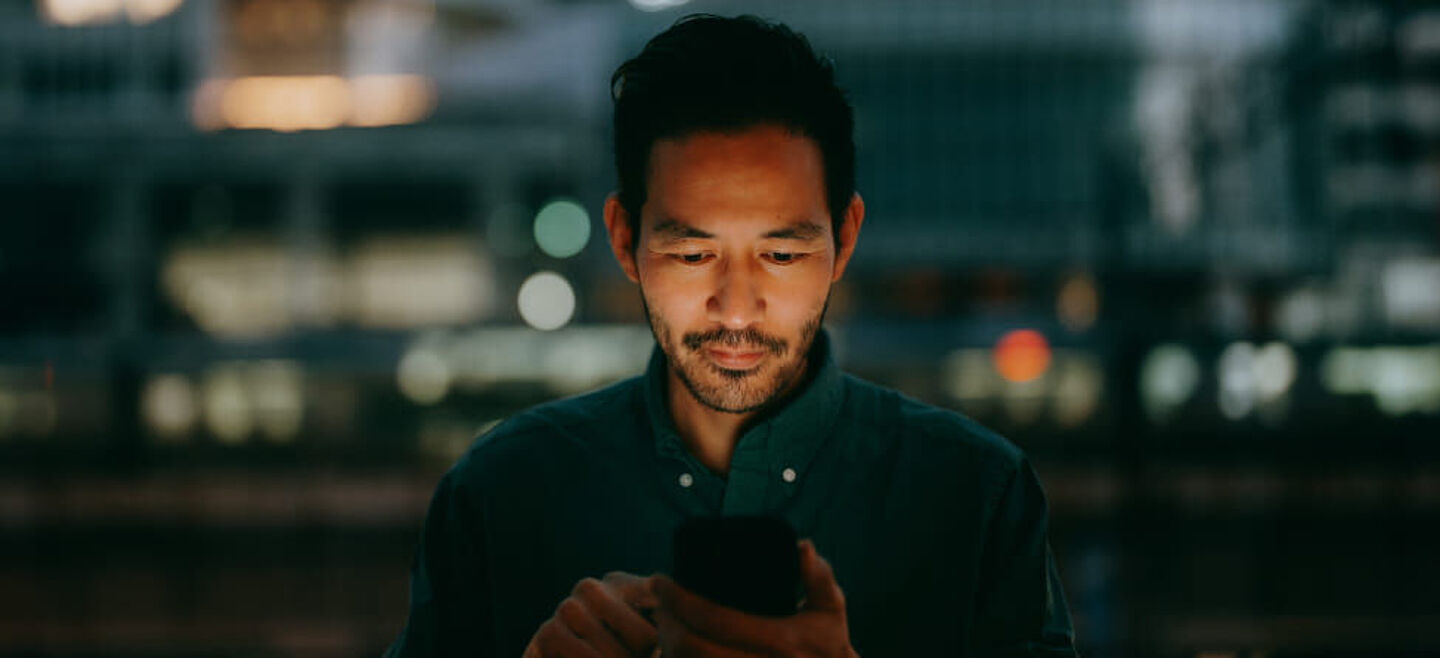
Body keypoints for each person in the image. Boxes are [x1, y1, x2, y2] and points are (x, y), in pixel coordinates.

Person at [386, 14, 1077, 657]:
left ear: (845, 239)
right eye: (692, 255)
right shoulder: (500, 493)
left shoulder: (975, 496)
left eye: (780, 254)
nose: (738, 308)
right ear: (625, 240)